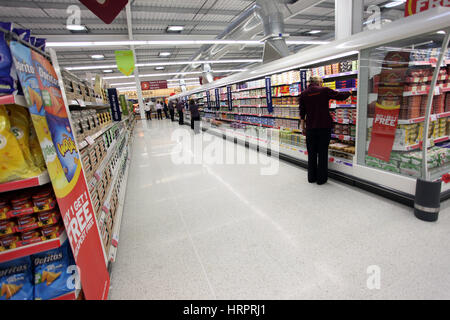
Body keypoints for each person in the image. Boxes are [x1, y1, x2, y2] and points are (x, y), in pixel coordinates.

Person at [299, 75, 351, 185]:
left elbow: (302, 112)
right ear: (318, 82)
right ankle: (321, 179)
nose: (322, 83)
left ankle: (311, 177)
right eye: (321, 81)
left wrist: (302, 126)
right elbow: (340, 96)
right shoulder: (324, 90)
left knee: (311, 153)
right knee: (322, 153)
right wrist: (349, 92)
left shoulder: (303, 94)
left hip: (310, 127)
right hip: (323, 126)